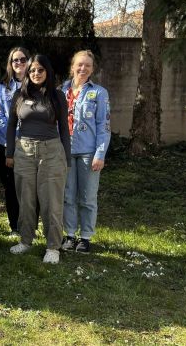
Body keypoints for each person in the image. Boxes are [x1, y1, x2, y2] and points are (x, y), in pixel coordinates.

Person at [6, 54, 70, 264]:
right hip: (24, 151)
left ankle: (53, 247)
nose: (36, 73)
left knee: (51, 201)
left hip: (51, 152)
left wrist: (67, 159)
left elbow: (64, 129)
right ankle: (26, 240)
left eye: (40, 70)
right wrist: (9, 153)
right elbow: (11, 125)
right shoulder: (19, 94)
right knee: (26, 199)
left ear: (47, 72)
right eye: (32, 70)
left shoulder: (57, 96)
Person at [60, 50, 111, 253]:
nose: (83, 68)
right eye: (79, 64)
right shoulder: (61, 91)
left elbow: (103, 126)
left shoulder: (99, 93)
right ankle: (70, 234)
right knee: (68, 196)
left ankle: (85, 237)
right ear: (72, 66)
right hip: (65, 151)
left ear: (92, 69)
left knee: (88, 197)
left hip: (88, 153)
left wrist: (100, 154)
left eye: (87, 65)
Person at [0, 47, 29, 235]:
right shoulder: (2, 88)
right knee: (11, 188)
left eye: (23, 59)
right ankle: (15, 227)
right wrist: (14, 140)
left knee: (29, 187)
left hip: (31, 145)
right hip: (5, 145)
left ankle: (28, 227)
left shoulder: (37, 86)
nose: (19, 63)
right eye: (15, 60)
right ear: (10, 63)